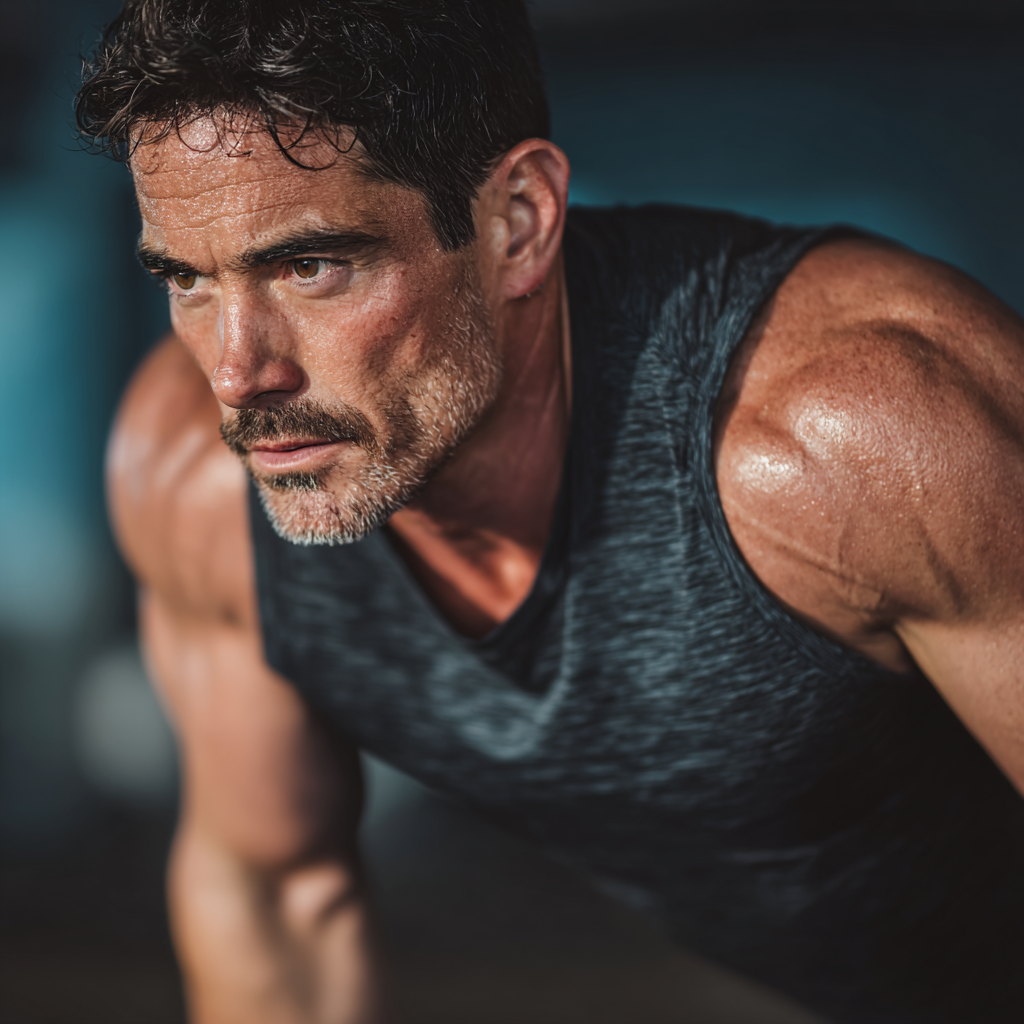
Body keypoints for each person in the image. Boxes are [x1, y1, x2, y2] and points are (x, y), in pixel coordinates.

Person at [76, 1, 1024, 1021]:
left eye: (310, 266)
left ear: (517, 218)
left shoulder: (861, 437)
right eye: (187, 279)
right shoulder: (196, 481)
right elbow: (277, 897)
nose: (237, 373)